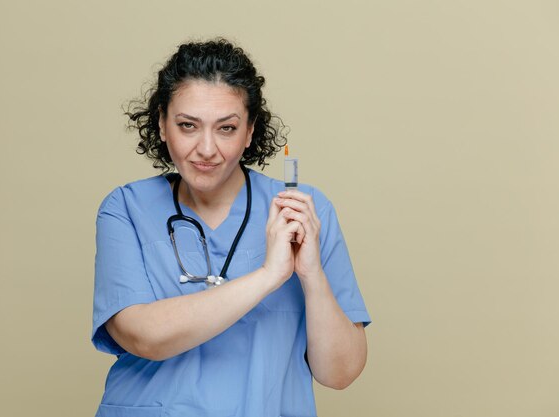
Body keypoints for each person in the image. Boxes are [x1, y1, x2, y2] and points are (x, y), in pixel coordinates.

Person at [92, 38, 371, 417]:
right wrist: (270, 275)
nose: (207, 149)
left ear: (250, 131)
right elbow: (143, 336)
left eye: (226, 128)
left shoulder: (301, 212)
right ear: (161, 124)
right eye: (188, 125)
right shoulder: (125, 209)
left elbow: (340, 373)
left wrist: (311, 274)